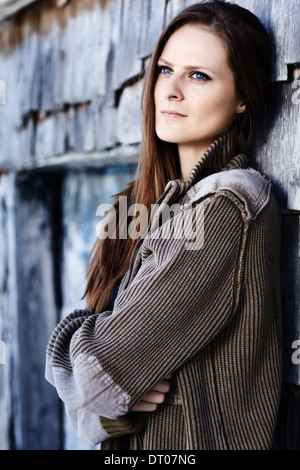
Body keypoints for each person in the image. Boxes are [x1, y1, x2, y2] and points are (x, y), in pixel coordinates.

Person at [45, 0, 282, 450]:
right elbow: (103, 387)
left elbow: (100, 373)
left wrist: (83, 358)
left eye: (199, 76)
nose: (170, 90)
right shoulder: (141, 204)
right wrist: (110, 405)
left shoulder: (226, 207)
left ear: (243, 98)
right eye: (165, 69)